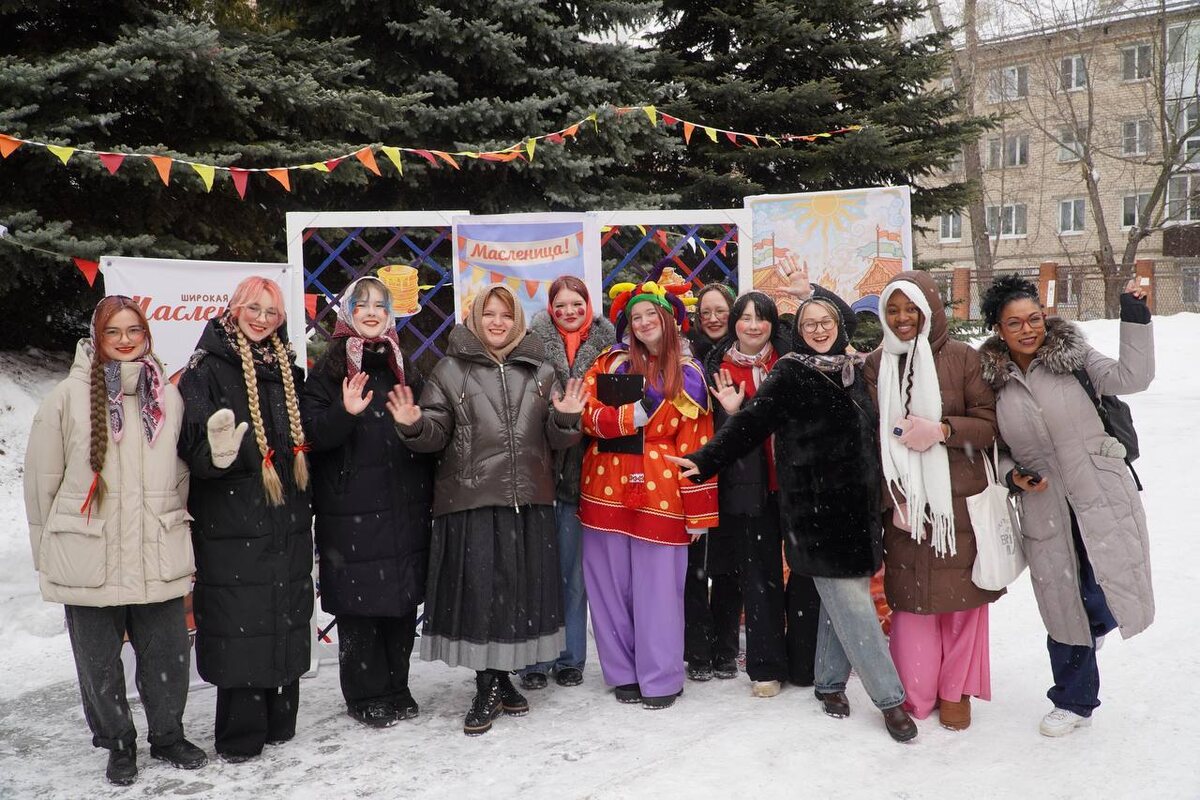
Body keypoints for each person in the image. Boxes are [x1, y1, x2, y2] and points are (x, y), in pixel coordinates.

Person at [670, 295, 918, 743]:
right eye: (809, 323)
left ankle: (828, 682)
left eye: (826, 321)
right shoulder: (790, 372)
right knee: (854, 606)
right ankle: (890, 699)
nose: (819, 330)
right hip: (814, 513)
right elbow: (751, 424)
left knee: (841, 602)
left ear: (839, 325)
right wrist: (706, 459)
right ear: (799, 331)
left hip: (859, 510)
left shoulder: (857, 370)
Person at [24, 296, 207, 785]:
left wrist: (173, 517)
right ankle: (118, 742)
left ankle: (168, 736)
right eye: (113, 331)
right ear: (97, 337)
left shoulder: (167, 398)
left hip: (154, 547)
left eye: (134, 330)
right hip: (88, 552)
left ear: (147, 335)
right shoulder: (66, 398)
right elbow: (42, 482)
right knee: (98, 664)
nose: (125, 340)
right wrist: (47, 552)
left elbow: (180, 473)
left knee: (168, 654)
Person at [386, 284, 584, 735]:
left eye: (506, 315)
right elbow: (435, 434)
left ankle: (501, 680)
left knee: (516, 597)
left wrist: (567, 418)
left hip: (528, 501)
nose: (497, 322)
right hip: (472, 500)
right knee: (482, 596)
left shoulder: (541, 371)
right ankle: (488, 684)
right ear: (476, 318)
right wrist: (414, 425)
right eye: (489, 314)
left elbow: (558, 440)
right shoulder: (450, 370)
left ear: (517, 321)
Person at [978, 274, 1154, 737]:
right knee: (1061, 603)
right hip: (1044, 504)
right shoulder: (992, 382)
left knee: (1103, 593)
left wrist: (1135, 313)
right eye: (1015, 323)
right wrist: (1011, 475)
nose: (1028, 329)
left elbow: (1133, 377)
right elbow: (992, 449)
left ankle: (1095, 628)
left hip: (1100, 492)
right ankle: (1073, 700)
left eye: (1034, 318)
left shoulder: (1075, 357)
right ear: (998, 329)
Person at [177, 276, 313, 762]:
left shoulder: (288, 369)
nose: (262, 319)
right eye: (253, 308)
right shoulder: (205, 370)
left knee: (284, 612)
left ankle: (280, 721)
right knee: (241, 622)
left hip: (286, 520)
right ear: (234, 309)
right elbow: (192, 450)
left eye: (271, 312)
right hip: (233, 522)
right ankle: (241, 734)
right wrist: (216, 455)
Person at [863, 270, 1002, 732]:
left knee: (963, 602)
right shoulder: (877, 364)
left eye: (911, 308)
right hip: (905, 504)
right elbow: (871, 439)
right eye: (893, 309)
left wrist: (943, 430)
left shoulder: (963, 358)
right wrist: (894, 498)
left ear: (930, 310)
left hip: (956, 503)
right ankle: (916, 692)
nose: (902, 318)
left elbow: (989, 425)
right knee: (912, 601)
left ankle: (956, 692)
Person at [578, 280, 719, 710]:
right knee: (609, 586)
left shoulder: (689, 375)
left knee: (659, 590)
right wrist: (625, 417)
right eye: (635, 317)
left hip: (663, 491)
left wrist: (698, 511)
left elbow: (697, 446)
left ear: (669, 319)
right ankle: (622, 672)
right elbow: (584, 413)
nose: (642, 323)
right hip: (604, 483)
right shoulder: (610, 362)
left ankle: (660, 677)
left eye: (650, 315)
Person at [300, 276, 434, 728]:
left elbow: (427, 431)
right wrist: (344, 413)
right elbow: (312, 436)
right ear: (347, 313)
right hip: (350, 509)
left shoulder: (405, 368)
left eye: (380, 305)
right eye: (362, 305)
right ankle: (365, 694)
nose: (372, 312)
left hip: (404, 504)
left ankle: (397, 686)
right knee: (360, 607)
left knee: (401, 604)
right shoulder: (329, 371)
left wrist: (415, 424)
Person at [699, 291, 820, 697]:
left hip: (797, 484)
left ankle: (802, 661)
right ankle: (766, 666)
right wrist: (732, 415)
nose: (753, 325)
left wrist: (809, 294)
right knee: (758, 576)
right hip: (748, 488)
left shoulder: (791, 359)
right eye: (745, 317)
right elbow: (714, 438)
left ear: (773, 323)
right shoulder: (718, 367)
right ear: (734, 322)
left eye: (761, 317)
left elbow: (844, 325)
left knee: (805, 572)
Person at [520, 276, 616, 690]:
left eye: (576, 303)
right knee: (537, 574)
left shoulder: (610, 349)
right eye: (560, 305)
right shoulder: (530, 347)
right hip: (540, 472)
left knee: (574, 576)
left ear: (588, 305)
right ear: (550, 309)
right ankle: (535, 660)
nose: (569, 311)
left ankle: (571, 657)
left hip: (588, 476)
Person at [682, 280, 743, 684]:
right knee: (693, 567)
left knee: (727, 567)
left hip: (735, 472)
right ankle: (697, 649)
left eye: (721, 310)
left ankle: (725, 648)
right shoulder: (687, 355)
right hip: (694, 469)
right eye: (706, 312)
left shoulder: (742, 355)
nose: (714, 318)